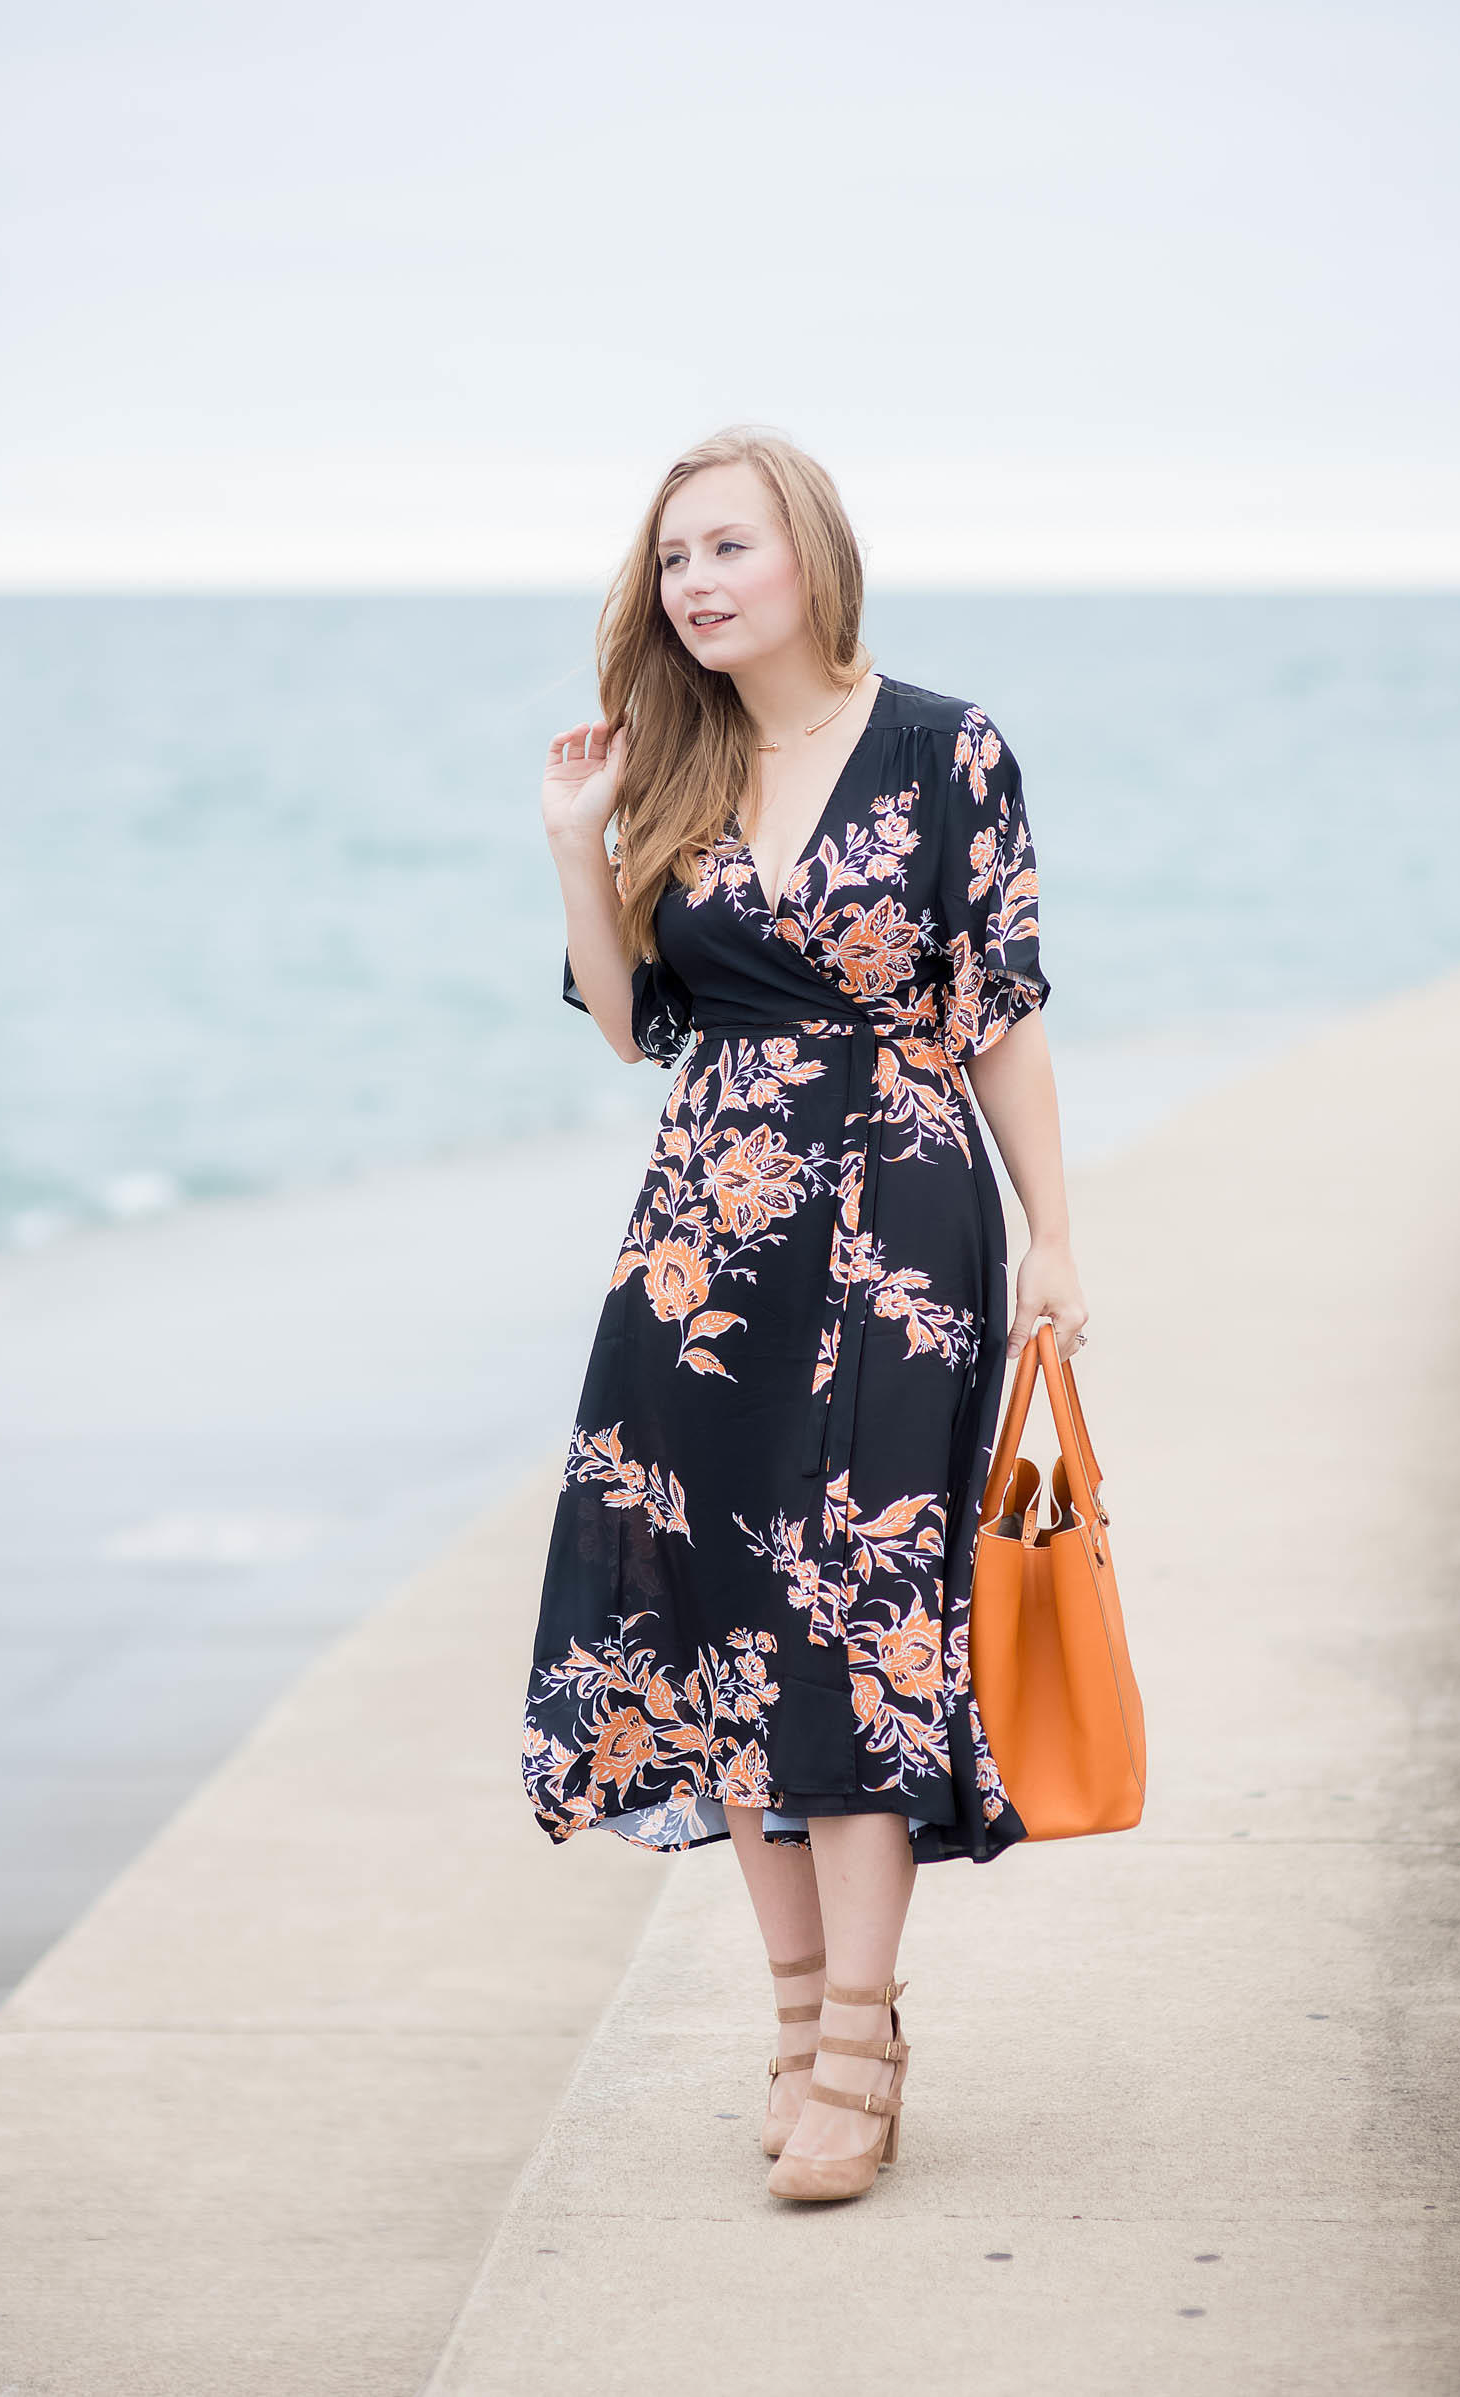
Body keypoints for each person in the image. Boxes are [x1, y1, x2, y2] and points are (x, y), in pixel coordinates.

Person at [522, 425, 1089, 2203]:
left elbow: (997, 1007)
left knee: (858, 1610)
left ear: (808, 555)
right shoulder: (669, 766)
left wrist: (1056, 1235)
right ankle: (791, 2023)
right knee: (720, 1614)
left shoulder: (944, 747)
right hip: (700, 1251)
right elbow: (630, 1028)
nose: (694, 582)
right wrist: (572, 840)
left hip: (901, 1226)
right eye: (672, 556)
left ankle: (862, 2032)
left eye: (726, 548)